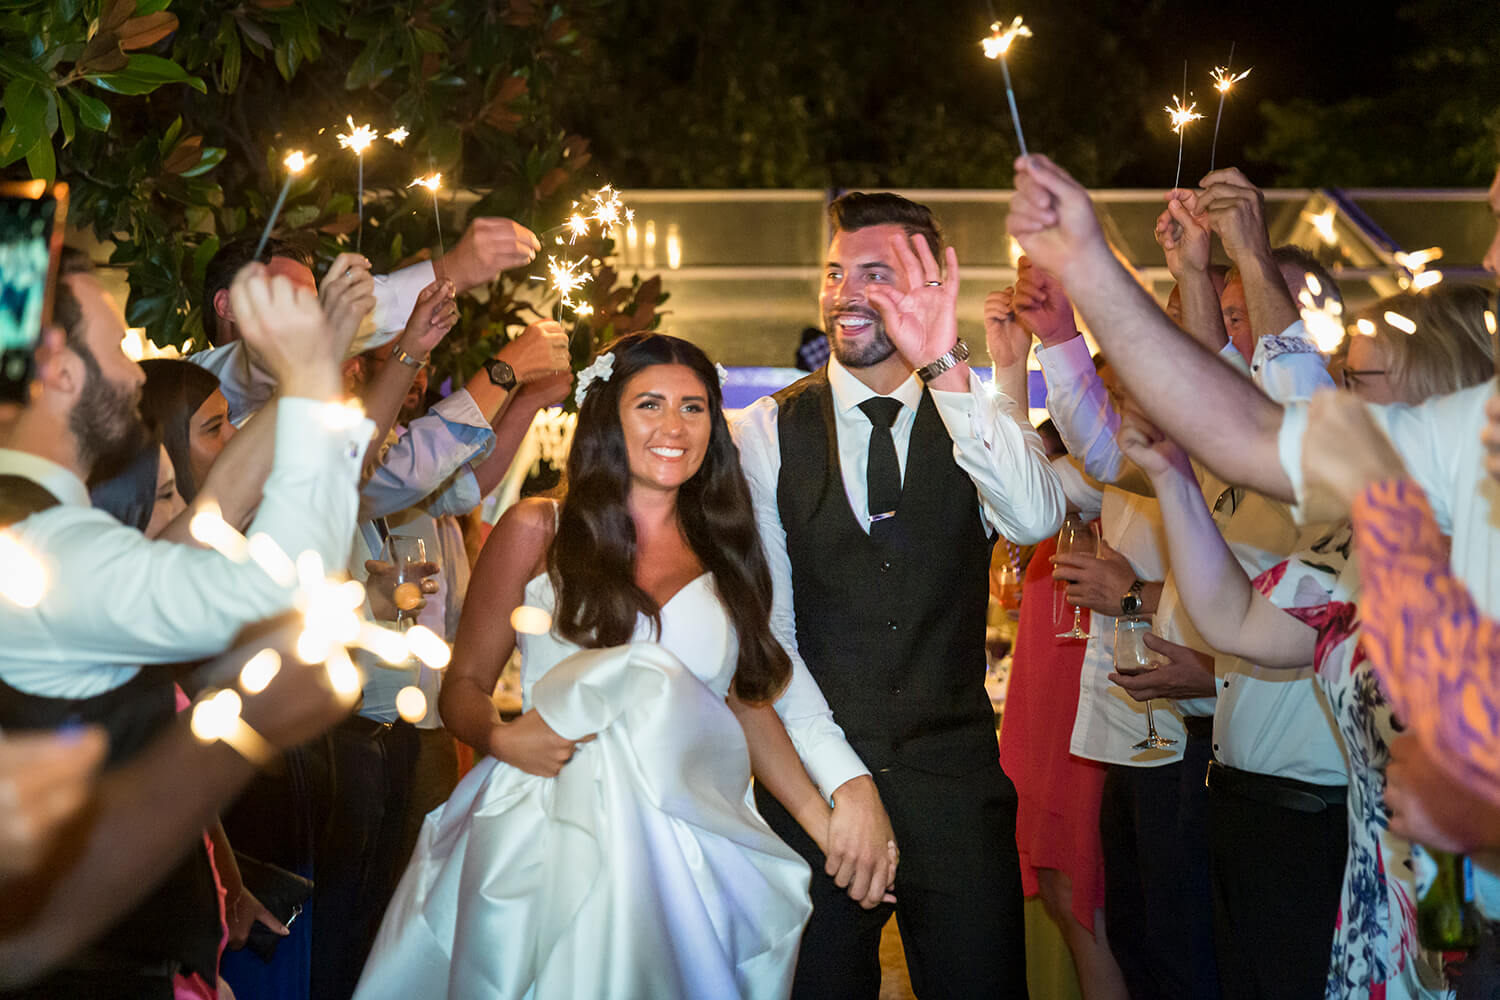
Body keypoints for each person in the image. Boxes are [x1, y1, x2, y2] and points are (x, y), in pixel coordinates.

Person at [355, 332, 859, 999]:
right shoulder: (539, 530)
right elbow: (464, 688)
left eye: (694, 407)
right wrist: (505, 736)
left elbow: (742, 703)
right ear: (607, 417)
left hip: (690, 844)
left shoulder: (727, 548)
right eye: (649, 404)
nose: (674, 426)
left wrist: (823, 821)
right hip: (552, 833)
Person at [0, 249, 367, 995]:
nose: (137, 375)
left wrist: (315, 359)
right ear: (61, 372)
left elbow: (211, 515)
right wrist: (310, 389)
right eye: (117, 350)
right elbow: (282, 594)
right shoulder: (46, 552)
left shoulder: (37, 529)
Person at [733, 191, 1065, 998]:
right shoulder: (764, 431)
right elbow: (766, 637)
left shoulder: (971, 410)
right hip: (814, 792)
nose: (845, 291)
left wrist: (948, 361)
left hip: (956, 792)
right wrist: (847, 787)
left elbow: (1035, 514)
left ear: (931, 282)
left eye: (875, 273)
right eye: (836, 272)